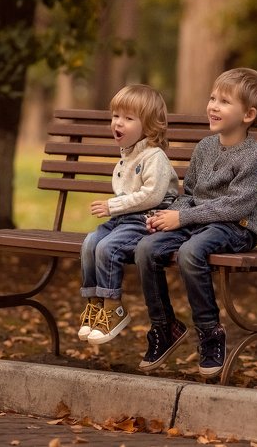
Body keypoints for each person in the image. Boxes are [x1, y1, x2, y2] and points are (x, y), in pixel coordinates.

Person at [136, 67, 257, 377]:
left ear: (248, 114)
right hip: (199, 222)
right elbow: (191, 193)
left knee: (190, 252)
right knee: (145, 248)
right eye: (212, 98)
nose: (213, 106)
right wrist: (165, 216)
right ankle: (164, 326)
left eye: (224, 101)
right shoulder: (205, 147)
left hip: (238, 227)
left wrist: (182, 217)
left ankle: (210, 332)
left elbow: (235, 206)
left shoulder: (253, 157)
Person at [77, 84, 179, 345]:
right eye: (115, 116)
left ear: (149, 127)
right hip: (125, 219)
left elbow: (152, 196)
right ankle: (95, 304)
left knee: (108, 247)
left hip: (147, 220)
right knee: (90, 242)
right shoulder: (126, 157)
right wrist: (116, 210)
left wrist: (113, 206)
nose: (117, 123)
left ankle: (114, 308)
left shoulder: (154, 156)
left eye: (128, 118)